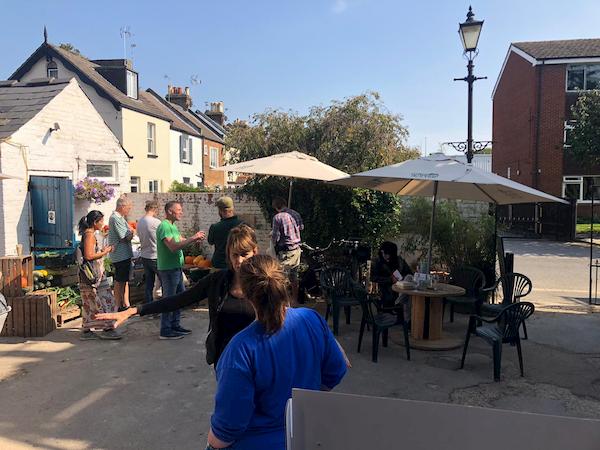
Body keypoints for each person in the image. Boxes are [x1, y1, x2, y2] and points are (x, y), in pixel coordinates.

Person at [206, 255, 348, 449]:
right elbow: (335, 371)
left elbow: (227, 429)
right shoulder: (312, 319)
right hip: (309, 436)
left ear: (245, 294)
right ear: (284, 284)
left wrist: (211, 445)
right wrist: (304, 400)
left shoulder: (240, 351)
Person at [96, 224, 259, 365]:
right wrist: (134, 310)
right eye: (234, 254)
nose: (239, 261)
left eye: (244, 254)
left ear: (254, 252)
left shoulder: (264, 285)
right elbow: (178, 300)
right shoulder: (218, 281)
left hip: (256, 359)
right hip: (226, 360)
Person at [156, 200, 206, 339]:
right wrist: (192, 237)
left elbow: (179, 240)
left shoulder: (172, 226)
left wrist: (192, 239)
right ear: (170, 211)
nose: (181, 212)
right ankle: (165, 330)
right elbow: (173, 246)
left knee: (180, 299)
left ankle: (175, 325)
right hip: (169, 269)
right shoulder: (165, 226)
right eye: (179, 210)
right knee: (170, 300)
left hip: (176, 268)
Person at [77, 211, 120, 340]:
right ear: (95, 222)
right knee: (103, 300)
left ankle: (87, 330)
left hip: (92, 276)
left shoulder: (89, 234)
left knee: (91, 302)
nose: (102, 224)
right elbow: (89, 256)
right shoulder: (90, 235)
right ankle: (107, 328)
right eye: (101, 221)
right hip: (93, 277)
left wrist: (102, 251)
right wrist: (105, 252)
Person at [271, 197, 304, 304]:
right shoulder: (295, 214)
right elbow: (301, 227)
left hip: (286, 251)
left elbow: (275, 236)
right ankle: (294, 299)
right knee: (294, 277)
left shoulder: (277, 217)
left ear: (276, 207)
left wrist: (272, 242)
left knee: (281, 276)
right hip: (297, 249)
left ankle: (284, 301)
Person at [371, 241, 413, 314]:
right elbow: (373, 277)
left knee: (409, 292)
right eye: (385, 253)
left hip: (401, 288)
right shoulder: (378, 262)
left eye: (389, 254)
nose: (387, 256)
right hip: (386, 292)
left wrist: (402, 278)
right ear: (382, 251)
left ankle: (406, 316)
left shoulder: (399, 261)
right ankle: (400, 305)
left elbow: (409, 273)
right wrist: (390, 279)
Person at [108, 196, 134, 312]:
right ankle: (118, 305)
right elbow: (125, 237)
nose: (129, 210)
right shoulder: (116, 218)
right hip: (120, 254)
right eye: (128, 208)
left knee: (124, 279)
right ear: (122, 207)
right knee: (119, 280)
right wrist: (132, 232)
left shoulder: (120, 218)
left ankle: (124, 303)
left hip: (123, 254)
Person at [207, 196, 243, 271]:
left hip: (219, 264)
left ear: (220, 210)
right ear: (232, 208)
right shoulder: (243, 225)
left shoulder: (215, 227)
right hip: (238, 264)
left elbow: (210, 242)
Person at [137, 200, 162, 304]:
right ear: (154, 209)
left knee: (149, 283)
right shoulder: (156, 222)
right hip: (155, 255)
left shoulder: (140, 222)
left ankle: (149, 305)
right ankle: (166, 304)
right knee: (165, 281)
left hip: (145, 255)